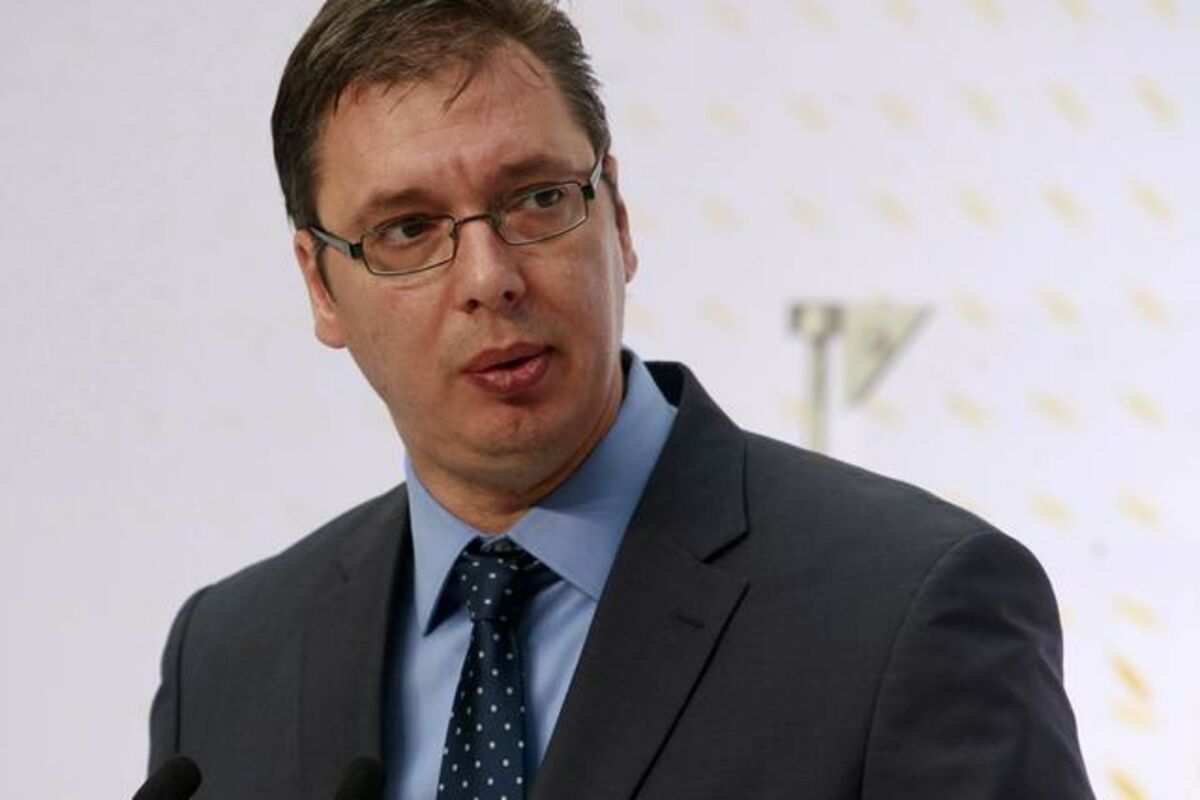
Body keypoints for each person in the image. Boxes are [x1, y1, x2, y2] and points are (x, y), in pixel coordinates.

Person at [147, 2, 1096, 798]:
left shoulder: (908, 610)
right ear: (320, 286)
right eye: (407, 229)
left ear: (619, 218)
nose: (489, 277)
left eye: (537, 198)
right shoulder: (228, 655)